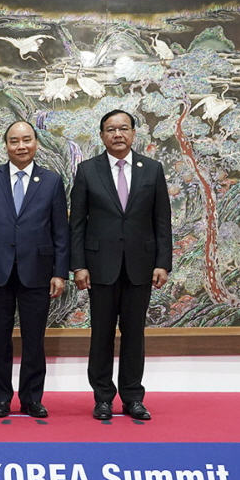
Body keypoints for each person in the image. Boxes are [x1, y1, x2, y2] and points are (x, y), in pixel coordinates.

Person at [70, 109, 172, 421]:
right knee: (101, 333)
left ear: (133, 133)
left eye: (124, 128)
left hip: (141, 266)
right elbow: (77, 223)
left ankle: (132, 397)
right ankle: (102, 398)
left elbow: (161, 221)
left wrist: (163, 263)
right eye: (111, 129)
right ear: (102, 136)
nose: (118, 134)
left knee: (134, 333)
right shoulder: (88, 170)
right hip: (100, 266)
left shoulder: (151, 170)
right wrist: (79, 266)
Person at [0, 121, 70, 419]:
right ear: (6, 145)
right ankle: (1, 397)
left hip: (37, 271)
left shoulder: (51, 181)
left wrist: (59, 272)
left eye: (26, 140)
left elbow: (60, 232)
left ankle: (31, 398)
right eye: (14, 141)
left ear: (35, 143)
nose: (21, 146)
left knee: (34, 339)